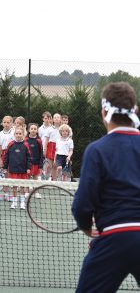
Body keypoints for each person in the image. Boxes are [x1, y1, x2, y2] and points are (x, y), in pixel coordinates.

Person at [72, 82, 140, 292]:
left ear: (103, 112)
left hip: (112, 238)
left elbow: (83, 203)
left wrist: (85, 225)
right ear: (135, 111)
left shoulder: (97, 150)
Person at [3, 126, 31, 209]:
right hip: (13, 169)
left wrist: (28, 168)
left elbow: (29, 157)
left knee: (22, 186)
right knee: (14, 186)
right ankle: (14, 202)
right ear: (14, 134)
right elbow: (7, 156)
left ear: (23, 135)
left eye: (20, 134)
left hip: (23, 170)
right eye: (17, 133)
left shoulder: (26, 145)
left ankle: (22, 203)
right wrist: (5, 167)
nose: (18, 135)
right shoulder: (11, 144)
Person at [43, 113, 62, 180]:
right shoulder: (49, 129)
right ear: (53, 119)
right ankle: (46, 180)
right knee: (48, 166)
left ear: (60, 120)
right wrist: (44, 149)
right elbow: (46, 140)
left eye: (58, 117)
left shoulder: (63, 129)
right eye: (55, 117)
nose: (56, 118)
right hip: (50, 147)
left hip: (59, 148)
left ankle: (54, 181)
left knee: (55, 166)